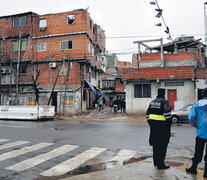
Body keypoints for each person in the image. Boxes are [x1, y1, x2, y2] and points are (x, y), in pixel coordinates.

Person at [146, 88, 172, 170]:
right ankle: (161, 165)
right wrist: (168, 128)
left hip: (154, 129)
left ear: (157, 93)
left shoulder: (152, 102)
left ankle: (156, 162)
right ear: (164, 93)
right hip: (163, 129)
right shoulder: (165, 102)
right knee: (162, 146)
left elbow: (147, 115)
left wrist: (152, 125)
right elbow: (168, 116)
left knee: (155, 146)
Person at [186, 88, 207, 178]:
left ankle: (194, 168)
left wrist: (195, 125)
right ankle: (206, 173)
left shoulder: (198, 104)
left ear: (203, 94)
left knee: (198, 152)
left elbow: (191, 117)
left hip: (201, 133)